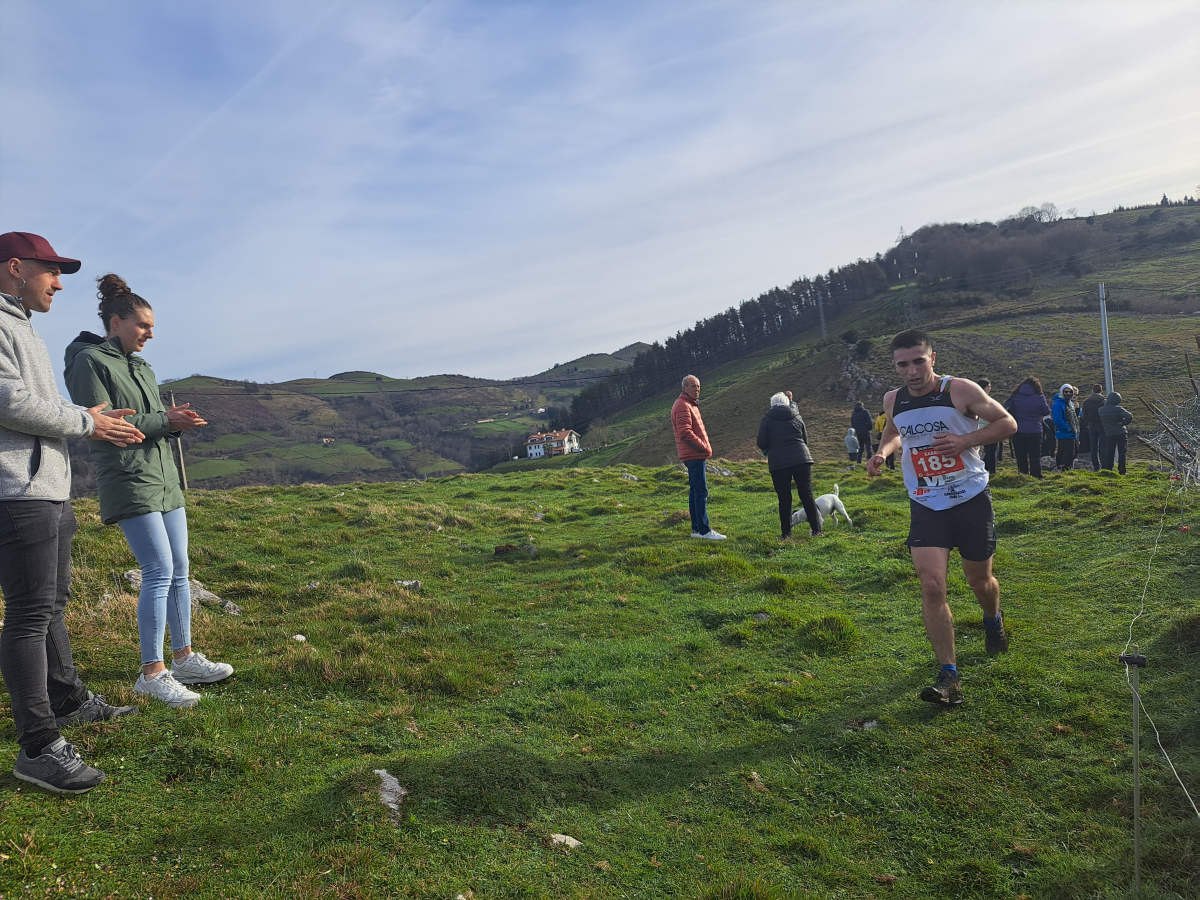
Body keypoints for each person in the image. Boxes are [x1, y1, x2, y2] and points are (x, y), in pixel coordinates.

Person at [0, 232, 144, 794]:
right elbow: (9, 401)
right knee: (30, 617)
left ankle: (68, 702)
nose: (59, 283)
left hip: (47, 490)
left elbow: (39, 402)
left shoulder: (22, 327)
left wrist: (84, 415)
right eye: (50, 271)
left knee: (51, 605)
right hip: (17, 493)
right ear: (15, 268)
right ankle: (38, 746)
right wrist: (89, 422)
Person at [65, 274, 233, 709]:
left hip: (163, 478)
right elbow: (107, 427)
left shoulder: (142, 367)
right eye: (143, 325)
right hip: (129, 478)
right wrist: (165, 421)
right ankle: (151, 674)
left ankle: (184, 658)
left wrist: (173, 419)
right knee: (157, 570)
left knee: (180, 568)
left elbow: (147, 421)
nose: (150, 334)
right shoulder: (88, 362)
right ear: (116, 321)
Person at [867, 329, 1016, 706]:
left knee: (979, 581)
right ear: (895, 366)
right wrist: (883, 453)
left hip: (969, 497)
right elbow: (895, 431)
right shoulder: (893, 399)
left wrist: (966, 441)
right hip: (925, 500)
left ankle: (992, 619)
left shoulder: (960, 391)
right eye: (904, 364)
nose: (913, 370)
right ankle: (949, 676)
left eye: (919, 360)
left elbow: (1007, 423)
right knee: (932, 584)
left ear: (932, 358)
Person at [757, 391, 822, 539]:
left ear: (772, 405)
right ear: (787, 403)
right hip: (801, 459)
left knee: (784, 498)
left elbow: (761, 442)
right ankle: (816, 530)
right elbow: (805, 438)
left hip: (779, 463)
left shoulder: (767, 419)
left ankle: (786, 534)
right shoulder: (796, 416)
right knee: (806, 494)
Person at [671, 374, 724, 540]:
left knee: (695, 491)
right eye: (693, 386)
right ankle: (704, 530)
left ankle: (696, 530)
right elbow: (685, 432)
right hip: (694, 455)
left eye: (699, 386)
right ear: (685, 387)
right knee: (701, 491)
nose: (697, 389)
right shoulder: (682, 405)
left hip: (693, 455)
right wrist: (704, 447)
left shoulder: (688, 404)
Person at [1004, 377, 1051, 478]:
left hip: (1018, 430)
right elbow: (1046, 411)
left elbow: (1005, 408)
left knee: (1021, 456)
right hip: (1035, 430)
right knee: (1035, 456)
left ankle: (1023, 475)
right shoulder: (1039, 396)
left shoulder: (1015, 396)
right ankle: (1036, 475)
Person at [1098, 391, 1133, 474]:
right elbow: (1130, 416)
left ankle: (1109, 469)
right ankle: (1122, 470)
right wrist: (1123, 423)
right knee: (1122, 452)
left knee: (1110, 452)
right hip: (1121, 432)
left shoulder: (1101, 410)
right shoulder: (1118, 409)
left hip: (1109, 433)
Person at [1051, 384, 1079, 471]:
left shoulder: (1070, 403)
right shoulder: (1058, 403)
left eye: (1070, 392)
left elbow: (1074, 418)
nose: (1068, 393)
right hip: (1064, 432)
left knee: (1070, 452)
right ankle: (1063, 468)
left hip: (1072, 432)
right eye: (1066, 391)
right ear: (1062, 392)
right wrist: (1068, 428)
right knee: (1065, 452)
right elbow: (1057, 419)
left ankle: (1065, 469)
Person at [976, 378, 1001, 474]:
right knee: (992, 450)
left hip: (980, 428)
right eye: (989, 386)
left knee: (987, 450)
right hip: (989, 427)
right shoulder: (986, 399)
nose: (990, 388)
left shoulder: (974, 398)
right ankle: (991, 470)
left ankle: (986, 469)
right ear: (985, 387)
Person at [1080, 384, 1105, 470]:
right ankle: (1104, 466)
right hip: (1102, 426)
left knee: (1093, 448)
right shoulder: (1104, 401)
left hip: (1091, 426)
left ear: (1092, 391)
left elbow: (1083, 416)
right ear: (1101, 391)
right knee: (1102, 446)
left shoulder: (1086, 402)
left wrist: (1087, 423)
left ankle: (1096, 467)